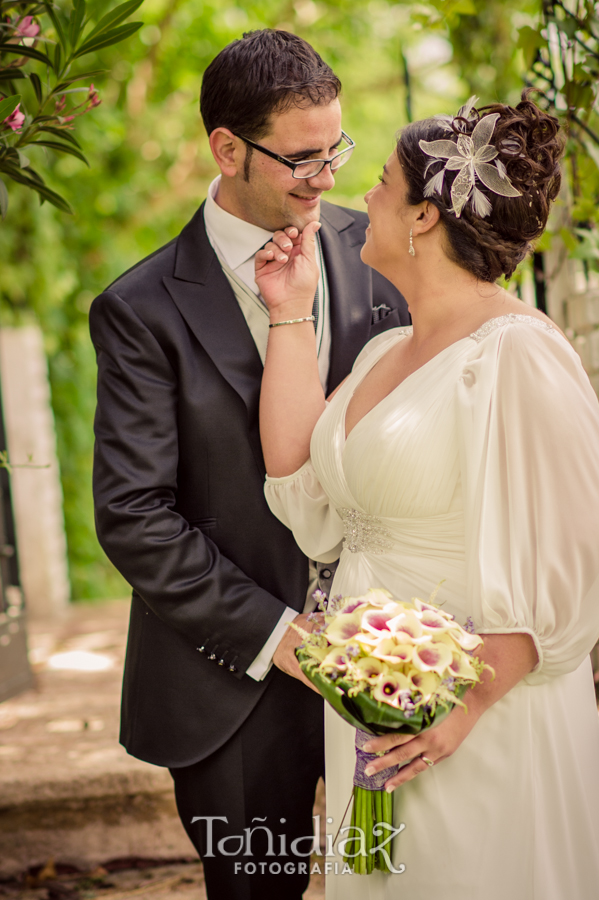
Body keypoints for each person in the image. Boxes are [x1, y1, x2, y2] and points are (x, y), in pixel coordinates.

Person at [90, 28, 407, 900]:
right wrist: (280, 638)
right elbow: (134, 514)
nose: (326, 176)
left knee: (396, 883)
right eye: (300, 158)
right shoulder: (139, 309)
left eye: (335, 149)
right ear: (226, 149)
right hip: (234, 681)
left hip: (397, 658)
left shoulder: (389, 254)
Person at [257, 93, 599, 899]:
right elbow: (304, 485)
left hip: (477, 712)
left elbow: (568, 554)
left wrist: (463, 705)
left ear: (422, 217)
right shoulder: (384, 349)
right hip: (376, 703)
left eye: (378, 183)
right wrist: (288, 313)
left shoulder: (517, 352)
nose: (360, 197)